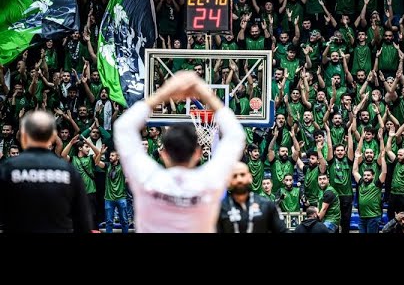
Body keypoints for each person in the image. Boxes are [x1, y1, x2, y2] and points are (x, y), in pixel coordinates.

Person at [114, 71, 245, 232]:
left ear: (163, 154)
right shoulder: (209, 181)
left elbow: (123, 127)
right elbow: (236, 134)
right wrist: (205, 94)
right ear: (198, 153)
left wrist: (164, 92)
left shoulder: (147, 179)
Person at [0, 110, 92, 233]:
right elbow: (83, 222)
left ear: (24, 135)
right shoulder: (68, 171)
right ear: (53, 136)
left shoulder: (8, 169)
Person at [217, 162, 288, 233]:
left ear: (250, 178)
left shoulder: (266, 204)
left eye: (242, 175)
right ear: (229, 181)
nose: (239, 179)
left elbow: (283, 231)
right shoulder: (219, 208)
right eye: (234, 176)